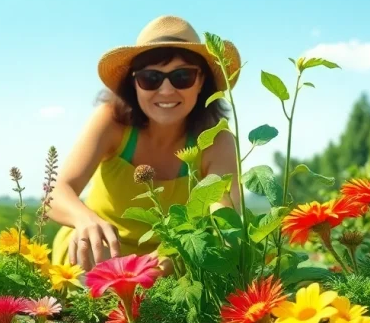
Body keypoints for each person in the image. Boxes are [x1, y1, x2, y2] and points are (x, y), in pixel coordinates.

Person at [49, 15, 242, 271]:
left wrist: (169, 256)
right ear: (134, 83)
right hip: (99, 253)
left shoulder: (217, 140)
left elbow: (225, 222)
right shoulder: (113, 122)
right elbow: (54, 193)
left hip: (172, 261)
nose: (165, 90)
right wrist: (85, 220)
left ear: (201, 82)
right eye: (150, 78)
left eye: (182, 76)